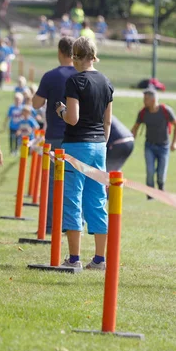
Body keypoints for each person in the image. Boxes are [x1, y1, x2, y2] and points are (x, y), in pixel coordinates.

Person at [55, 36, 113, 271]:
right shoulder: (106, 82)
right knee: (97, 200)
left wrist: (61, 110)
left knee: (73, 199)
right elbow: (107, 122)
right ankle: (99, 258)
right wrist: (100, 144)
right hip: (99, 145)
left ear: (76, 57)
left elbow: (73, 118)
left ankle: (74, 257)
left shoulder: (75, 81)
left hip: (77, 145)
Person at [33, 37, 76, 233]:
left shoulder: (51, 76)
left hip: (55, 136)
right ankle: (73, 224)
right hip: (77, 136)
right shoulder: (82, 75)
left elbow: (36, 104)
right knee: (74, 182)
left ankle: (51, 225)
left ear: (60, 52)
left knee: (52, 182)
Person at [130, 88, 176, 198]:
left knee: (161, 174)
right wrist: (131, 137)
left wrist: (174, 142)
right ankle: (150, 195)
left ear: (153, 100)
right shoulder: (143, 112)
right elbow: (135, 127)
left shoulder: (165, 111)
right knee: (150, 171)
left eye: (146, 99)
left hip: (164, 147)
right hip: (149, 146)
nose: (144, 101)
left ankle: (161, 191)